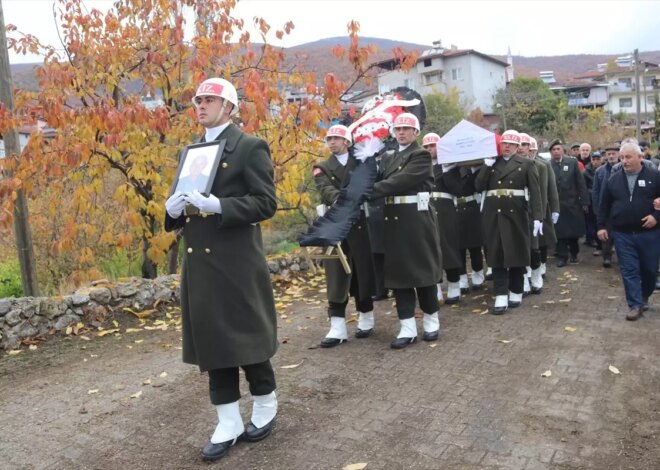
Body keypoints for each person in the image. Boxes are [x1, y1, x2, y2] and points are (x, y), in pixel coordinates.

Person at [164, 77, 278, 461]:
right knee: (214, 341)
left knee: (247, 335)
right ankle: (227, 420)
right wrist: (171, 211)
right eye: (198, 100)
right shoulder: (192, 150)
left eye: (210, 100)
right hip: (200, 261)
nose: (201, 105)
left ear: (229, 107)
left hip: (236, 259)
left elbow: (265, 203)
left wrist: (220, 206)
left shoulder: (249, 147)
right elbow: (181, 201)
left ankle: (265, 404)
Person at [370, 113, 442, 348]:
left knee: (423, 272)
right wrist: (366, 159)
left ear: (415, 133)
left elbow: (401, 181)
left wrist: (370, 190)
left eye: (406, 129)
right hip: (394, 221)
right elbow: (379, 176)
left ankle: (431, 321)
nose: (401, 132)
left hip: (416, 220)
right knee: (399, 276)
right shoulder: (388, 157)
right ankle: (407, 327)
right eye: (398, 128)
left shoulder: (420, 155)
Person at [313, 124, 376, 347]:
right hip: (334, 226)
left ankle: (366, 317)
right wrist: (347, 196)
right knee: (335, 275)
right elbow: (325, 190)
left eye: (336, 138)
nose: (331, 142)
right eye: (329, 138)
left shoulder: (361, 162)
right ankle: (337, 327)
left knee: (362, 272)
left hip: (358, 224)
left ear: (347, 142)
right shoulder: (321, 167)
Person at [475, 130, 542, 314]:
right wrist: (486, 166)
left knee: (516, 253)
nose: (507, 147)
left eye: (511, 144)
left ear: (517, 146)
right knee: (496, 255)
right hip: (493, 214)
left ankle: (516, 290)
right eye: (504, 143)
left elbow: (536, 192)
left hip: (516, 214)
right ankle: (501, 294)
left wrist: (538, 217)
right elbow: (479, 186)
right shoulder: (491, 163)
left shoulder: (527, 164)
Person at [597, 141, 660, 320]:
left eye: (628, 157)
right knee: (629, 269)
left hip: (650, 233)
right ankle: (635, 305)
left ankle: (645, 294)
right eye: (622, 157)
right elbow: (604, 205)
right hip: (623, 234)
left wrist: (656, 216)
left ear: (640, 157)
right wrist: (601, 226)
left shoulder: (655, 176)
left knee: (649, 269)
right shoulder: (613, 179)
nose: (624, 161)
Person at [424, 132, 462, 303]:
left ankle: (454, 284)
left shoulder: (451, 166)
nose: (429, 149)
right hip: (426, 208)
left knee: (449, 246)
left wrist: (447, 171)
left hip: (445, 209)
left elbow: (457, 189)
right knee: (430, 248)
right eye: (426, 146)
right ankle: (436, 286)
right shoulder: (420, 166)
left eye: (433, 146)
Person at [549, 139, 589, 267]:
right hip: (556, 205)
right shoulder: (548, 165)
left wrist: (584, 202)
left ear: (563, 150)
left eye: (558, 149)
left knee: (573, 232)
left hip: (572, 203)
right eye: (553, 150)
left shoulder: (572, 162)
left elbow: (581, 183)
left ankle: (574, 253)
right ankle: (562, 256)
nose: (556, 151)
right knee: (559, 232)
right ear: (551, 152)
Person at [529, 137, 559, 279]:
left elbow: (552, 188)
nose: (529, 152)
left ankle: (542, 263)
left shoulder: (544, 165)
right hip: (528, 207)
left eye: (532, 149)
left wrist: (555, 208)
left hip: (543, 205)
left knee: (543, 238)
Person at [592, 143, 620, 267]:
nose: (611, 156)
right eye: (609, 154)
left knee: (620, 235)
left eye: (614, 153)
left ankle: (622, 257)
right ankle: (607, 257)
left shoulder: (623, 169)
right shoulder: (600, 171)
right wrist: (597, 209)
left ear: (618, 154)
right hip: (606, 208)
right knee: (605, 235)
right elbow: (596, 191)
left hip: (620, 208)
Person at [582, 149, 602, 249]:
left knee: (599, 220)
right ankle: (591, 238)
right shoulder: (586, 172)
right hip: (589, 200)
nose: (596, 161)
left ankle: (600, 240)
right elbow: (583, 188)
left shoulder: (604, 170)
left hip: (601, 199)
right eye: (593, 159)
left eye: (598, 159)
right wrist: (584, 202)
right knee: (590, 221)